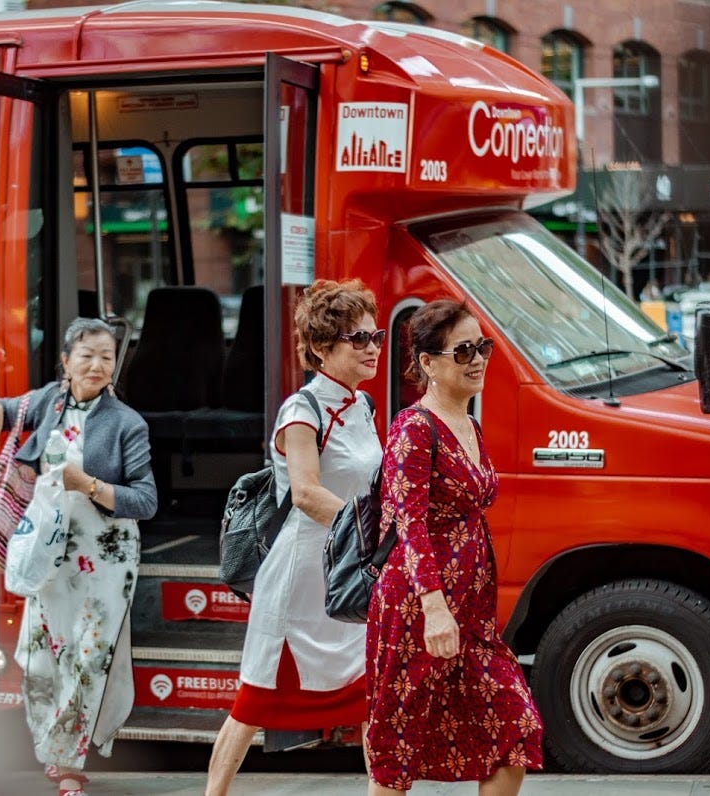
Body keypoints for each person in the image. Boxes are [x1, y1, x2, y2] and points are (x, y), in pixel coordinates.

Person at [205, 279, 384, 796]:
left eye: (374, 336)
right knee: (253, 704)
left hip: (348, 572)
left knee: (372, 696)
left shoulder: (364, 407)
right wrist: (370, 537)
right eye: (359, 339)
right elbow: (306, 493)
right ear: (324, 348)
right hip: (298, 579)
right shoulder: (300, 409)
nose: (372, 347)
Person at [0, 317, 158, 796]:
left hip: (107, 557)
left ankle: (69, 762)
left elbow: (146, 500)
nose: (96, 366)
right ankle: (56, 747)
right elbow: (11, 406)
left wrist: (89, 485)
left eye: (106, 357)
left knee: (90, 657)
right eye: (87, 355)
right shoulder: (48, 402)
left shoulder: (127, 423)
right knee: (41, 657)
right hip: (50, 552)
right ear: (66, 361)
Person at [366, 300, 542, 795]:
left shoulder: (468, 423)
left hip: (470, 614)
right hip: (418, 608)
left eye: (482, 346)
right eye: (463, 350)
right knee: (399, 746)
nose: (478, 358)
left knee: (513, 729)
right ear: (427, 363)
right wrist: (434, 606)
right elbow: (409, 521)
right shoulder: (413, 428)